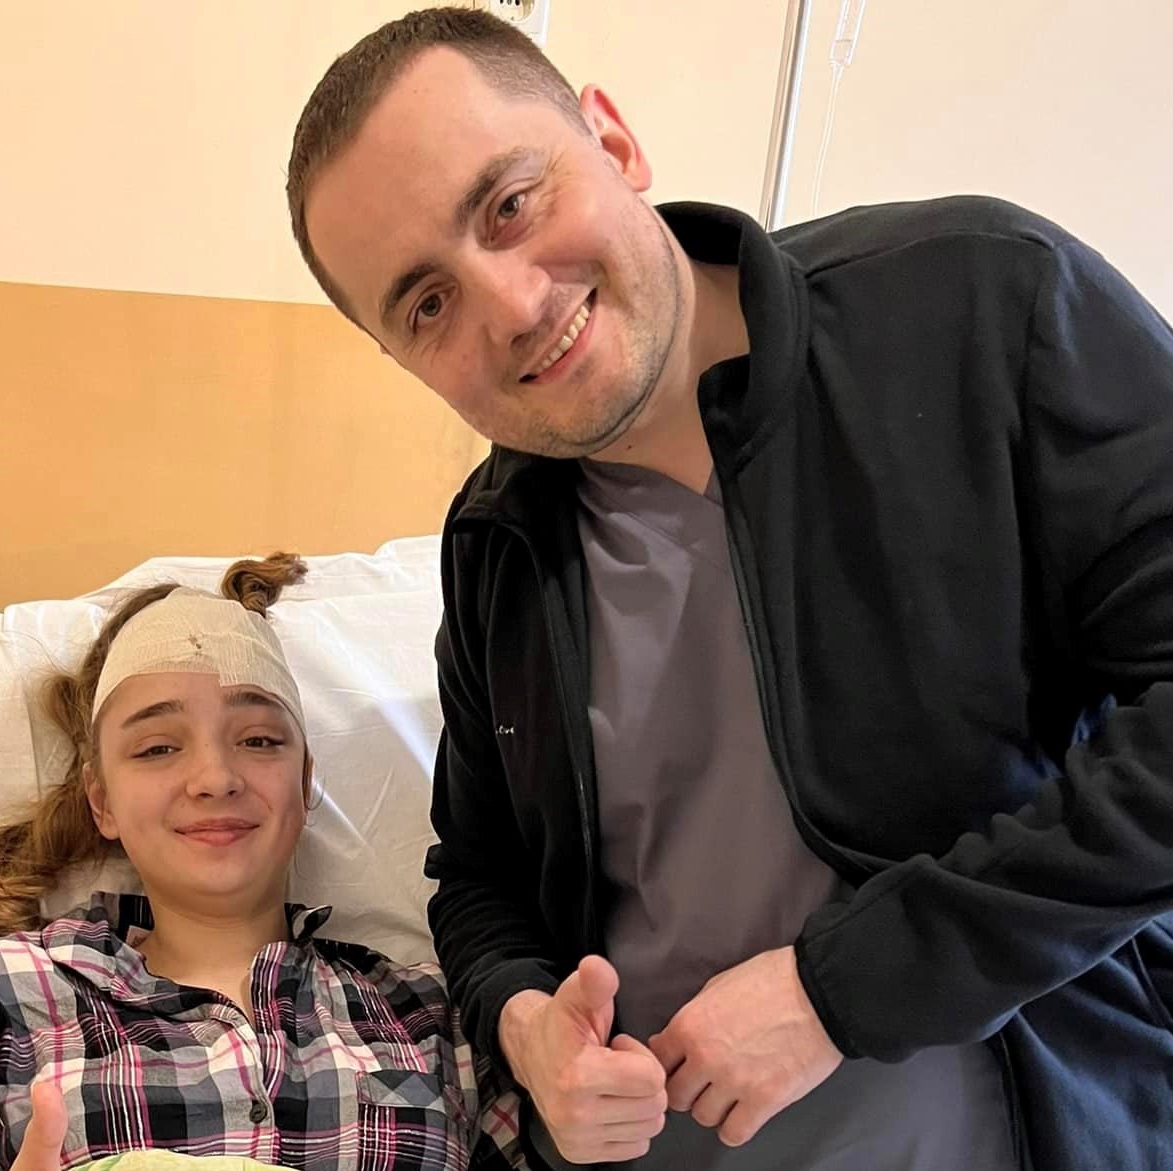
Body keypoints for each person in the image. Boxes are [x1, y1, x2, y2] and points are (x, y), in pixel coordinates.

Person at [285, 8, 1173, 1170]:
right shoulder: (495, 543)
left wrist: (839, 989)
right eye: (427, 304)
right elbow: (478, 875)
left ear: (612, 142)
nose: (510, 306)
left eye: (509, 204)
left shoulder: (978, 307)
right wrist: (522, 1024)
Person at [0, 554, 525, 1171]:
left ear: (306, 783)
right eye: (157, 747)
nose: (214, 776)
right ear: (102, 802)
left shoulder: (427, 1019)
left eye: (259, 739)